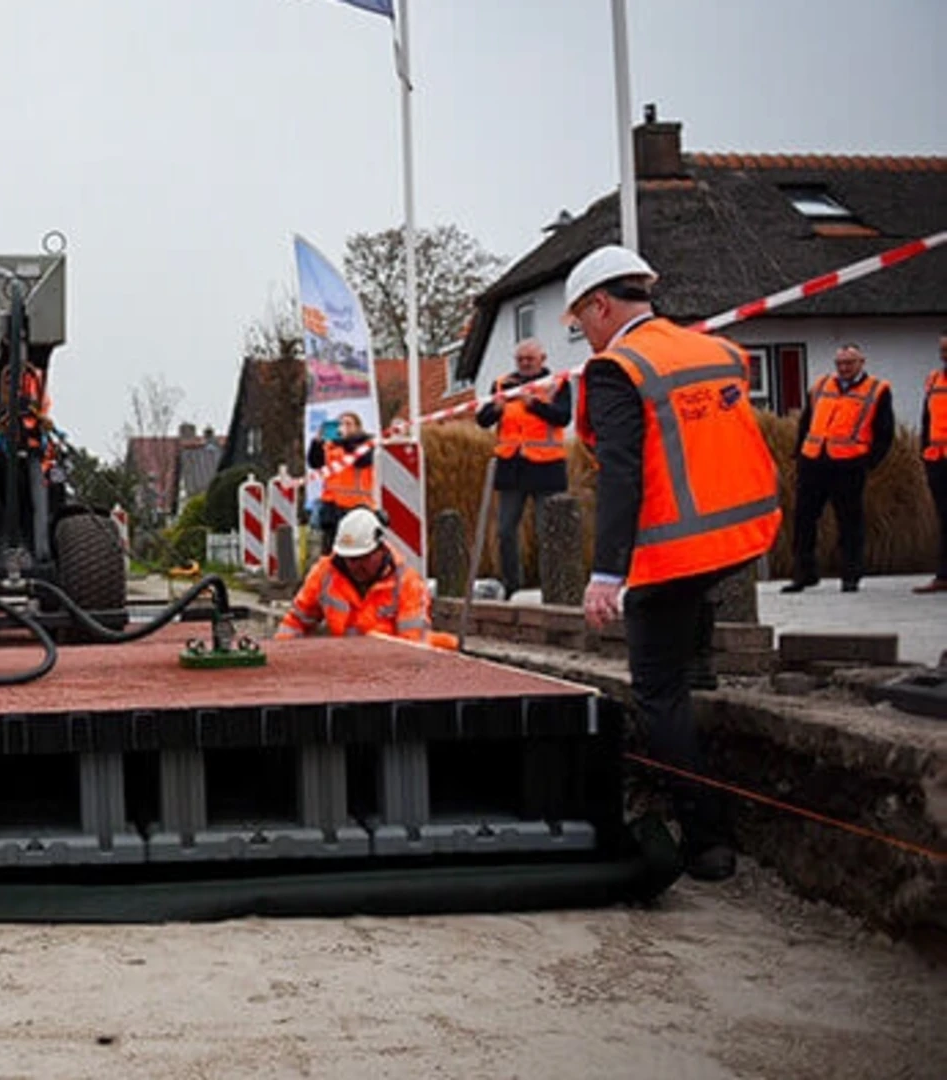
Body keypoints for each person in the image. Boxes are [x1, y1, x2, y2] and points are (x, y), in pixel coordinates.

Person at [570, 245, 781, 883]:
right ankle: (700, 664)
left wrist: (608, 574)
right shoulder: (713, 350)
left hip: (675, 548)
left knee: (658, 692)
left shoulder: (616, 369)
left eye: (580, 323)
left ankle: (707, 840)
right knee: (685, 651)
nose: (584, 337)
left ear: (601, 306)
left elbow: (621, 473)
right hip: (743, 531)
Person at [782, 344, 895, 593]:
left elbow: (885, 431)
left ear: (861, 363)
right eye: (840, 363)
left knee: (849, 521)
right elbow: (807, 421)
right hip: (814, 460)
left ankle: (850, 575)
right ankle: (804, 574)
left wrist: (869, 462)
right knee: (803, 519)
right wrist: (799, 454)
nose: (844, 368)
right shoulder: (821, 386)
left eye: (849, 363)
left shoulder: (877, 390)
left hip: (849, 464)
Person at [275, 507, 456, 648]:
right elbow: (295, 621)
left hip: (389, 668)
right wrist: (283, 656)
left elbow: (412, 647)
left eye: (363, 558)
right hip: (344, 665)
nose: (355, 566)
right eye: (349, 559)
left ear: (380, 549)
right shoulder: (325, 573)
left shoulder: (407, 583)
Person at [475, 338, 573, 597]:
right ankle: (512, 585)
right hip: (512, 466)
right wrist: (495, 409)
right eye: (520, 359)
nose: (525, 364)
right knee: (505, 530)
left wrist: (535, 406)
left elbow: (563, 416)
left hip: (547, 466)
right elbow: (482, 420)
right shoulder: (502, 384)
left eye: (530, 359)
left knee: (547, 531)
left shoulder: (557, 383)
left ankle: (553, 586)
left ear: (543, 359)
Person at [306, 412, 375, 556]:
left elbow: (363, 461)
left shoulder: (365, 445)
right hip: (332, 508)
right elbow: (315, 462)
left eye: (348, 424)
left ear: (358, 428)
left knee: (357, 551)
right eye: (341, 424)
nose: (344, 428)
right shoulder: (331, 447)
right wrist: (317, 441)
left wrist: (346, 442)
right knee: (331, 552)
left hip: (358, 506)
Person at [913, 331, 947, 594]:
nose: (945, 355)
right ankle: (944, 576)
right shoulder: (934, 380)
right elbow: (927, 419)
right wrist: (924, 450)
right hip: (938, 459)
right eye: (943, 350)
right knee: (944, 518)